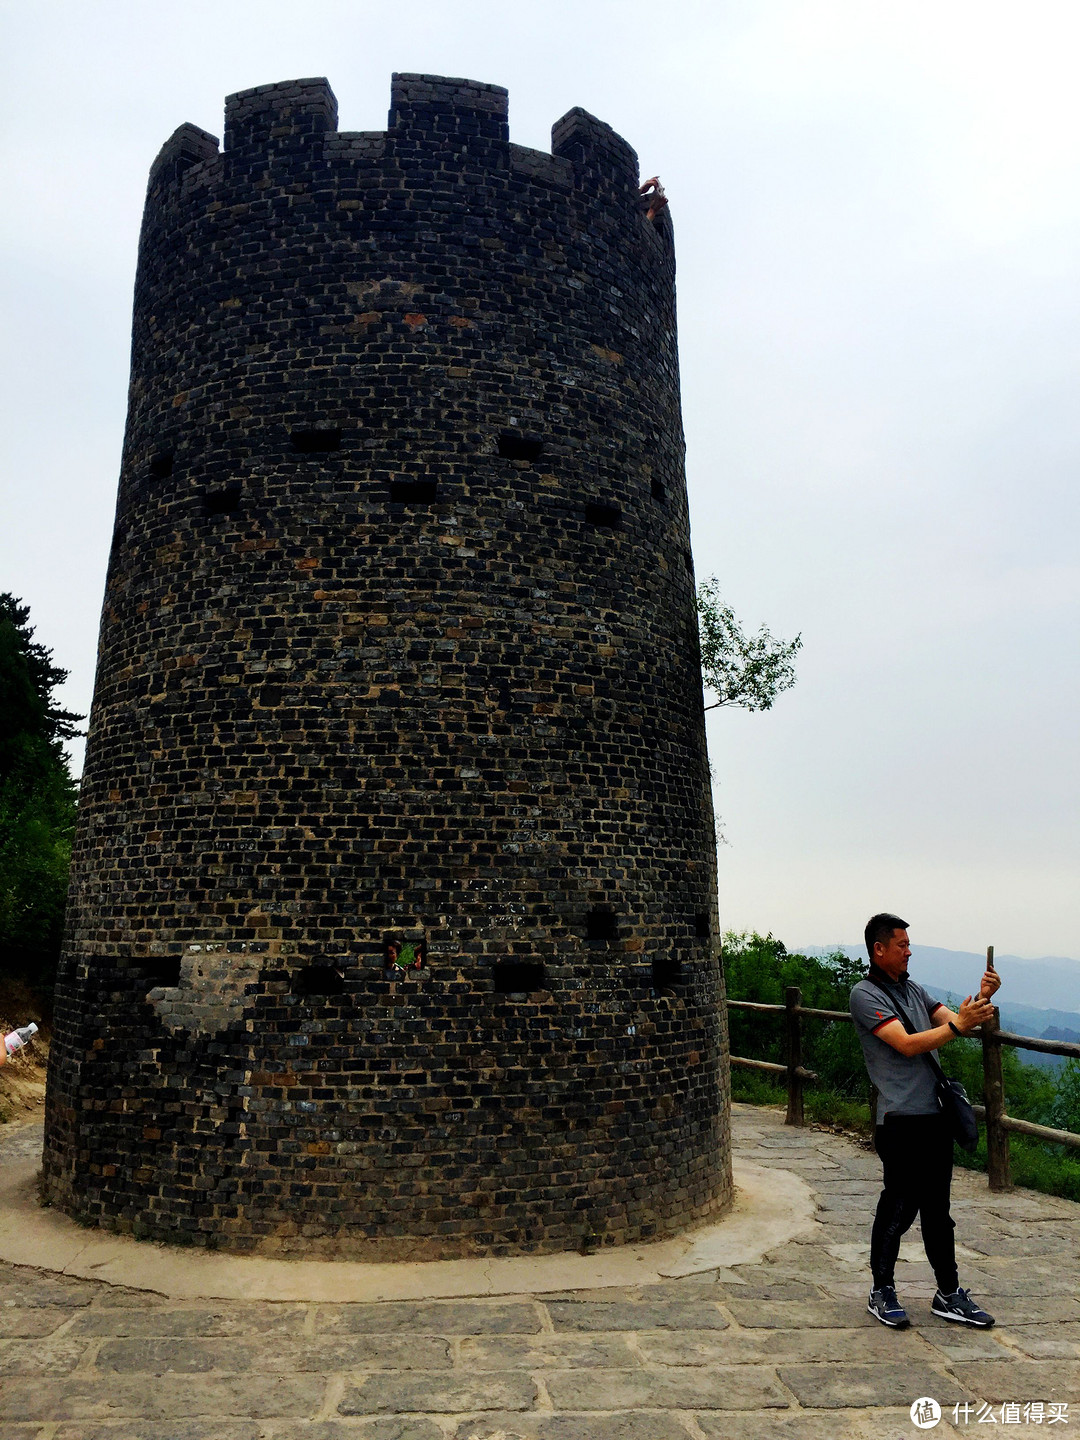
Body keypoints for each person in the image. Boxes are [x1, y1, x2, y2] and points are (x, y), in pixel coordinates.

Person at [850, 913, 1000, 1330]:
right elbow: (907, 1044)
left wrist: (980, 1000)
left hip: (933, 1116)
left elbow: (953, 1022)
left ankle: (948, 1293)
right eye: (901, 944)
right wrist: (959, 1023)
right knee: (899, 1205)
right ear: (879, 949)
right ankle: (882, 1289)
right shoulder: (864, 995)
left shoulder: (914, 989)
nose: (909, 950)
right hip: (899, 1120)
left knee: (938, 1210)